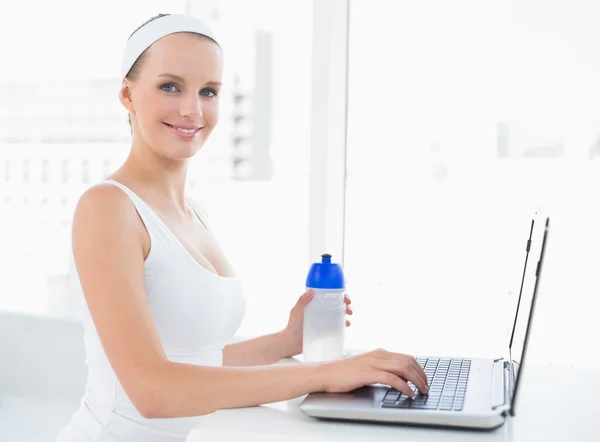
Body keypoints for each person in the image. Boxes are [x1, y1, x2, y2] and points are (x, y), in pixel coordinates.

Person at [55, 13, 428, 442]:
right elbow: (153, 390)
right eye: (169, 86)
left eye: (208, 91)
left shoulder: (193, 213)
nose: (192, 109)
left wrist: (287, 340)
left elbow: (197, 360)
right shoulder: (108, 207)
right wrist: (324, 374)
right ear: (127, 94)